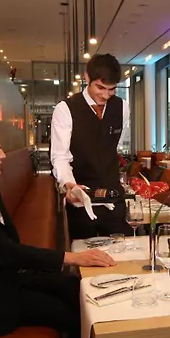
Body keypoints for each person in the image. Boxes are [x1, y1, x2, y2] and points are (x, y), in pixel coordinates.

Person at [0, 122, 115, 338]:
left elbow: (6, 248)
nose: (3, 155)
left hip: (8, 277)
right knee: (71, 314)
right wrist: (71, 257)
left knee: (74, 287)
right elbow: (4, 250)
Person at [51, 53, 133, 240]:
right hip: (81, 199)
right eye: (100, 87)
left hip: (113, 199)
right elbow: (60, 156)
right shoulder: (66, 109)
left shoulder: (122, 107)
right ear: (87, 77)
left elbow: (115, 146)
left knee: (121, 249)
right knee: (83, 252)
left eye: (111, 89)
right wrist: (70, 184)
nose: (105, 95)